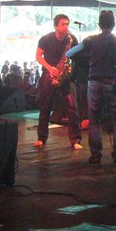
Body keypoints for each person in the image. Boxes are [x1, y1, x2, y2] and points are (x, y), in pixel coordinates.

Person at [66, 10, 116, 165]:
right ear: (113, 24)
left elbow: (70, 53)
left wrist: (86, 65)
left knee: (94, 120)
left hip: (94, 82)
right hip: (113, 82)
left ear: (99, 25)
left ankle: (96, 155)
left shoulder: (90, 40)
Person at [34, 14, 82, 149]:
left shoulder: (71, 39)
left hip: (65, 77)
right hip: (49, 75)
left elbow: (77, 56)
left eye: (67, 24)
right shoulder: (46, 39)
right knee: (45, 107)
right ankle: (41, 138)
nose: (66, 27)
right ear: (56, 26)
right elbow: (38, 56)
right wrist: (50, 68)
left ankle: (75, 140)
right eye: (63, 24)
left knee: (72, 108)